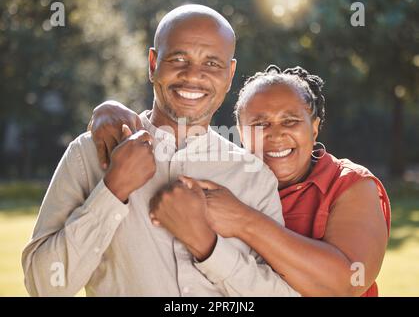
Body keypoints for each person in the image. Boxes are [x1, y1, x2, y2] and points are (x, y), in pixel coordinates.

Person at [21, 5, 299, 297]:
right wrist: (112, 191)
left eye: (212, 64)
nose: (193, 75)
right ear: (153, 63)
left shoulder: (254, 177)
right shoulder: (89, 154)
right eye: (178, 58)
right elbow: (43, 287)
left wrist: (207, 246)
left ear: (229, 74)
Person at [90, 65, 390, 296]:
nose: (275, 134)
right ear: (239, 134)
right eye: (259, 124)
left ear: (314, 127)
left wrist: (245, 221)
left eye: (290, 121)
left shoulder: (350, 185)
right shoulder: (223, 175)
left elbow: (347, 283)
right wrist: (108, 111)